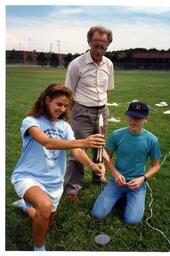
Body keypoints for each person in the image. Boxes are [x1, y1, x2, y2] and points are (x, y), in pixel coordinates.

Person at [11, 83, 105, 251]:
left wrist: (92, 164)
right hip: (28, 176)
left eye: (66, 106)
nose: (62, 109)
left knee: (47, 221)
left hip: (54, 183)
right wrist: (84, 141)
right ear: (47, 100)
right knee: (45, 207)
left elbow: (76, 151)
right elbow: (48, 143)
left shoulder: (65, 126)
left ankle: (25, 207)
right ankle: (39, 249)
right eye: (59, 104)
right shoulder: (31, 122)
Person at [65, 25, 114, 202]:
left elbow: (106, 90)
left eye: (103, 46)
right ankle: (73, 188)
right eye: (96, 45)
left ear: (108, 46)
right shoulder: (76, 64)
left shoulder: (109, 64)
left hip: (102, 110)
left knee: (99, 146)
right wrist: (68, 116)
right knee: (78, 148)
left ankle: (97, 176)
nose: (99, 50)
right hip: (81, 111)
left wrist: (103, 108)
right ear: (88, 42)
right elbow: (68, 92)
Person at [91, 101, 161, 224]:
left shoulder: (152, 140)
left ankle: (129, 197)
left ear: (145, 119)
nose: (133, 120)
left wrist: (142, 179)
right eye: (131, 116)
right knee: (97, 214)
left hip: (137, 184)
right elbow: (107, 157)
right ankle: (120, 196)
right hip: (117, 181)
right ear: (127, 116)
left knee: (132, 221)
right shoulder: (117, 135)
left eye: (138, 118)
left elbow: (156, 166)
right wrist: (115, 173)